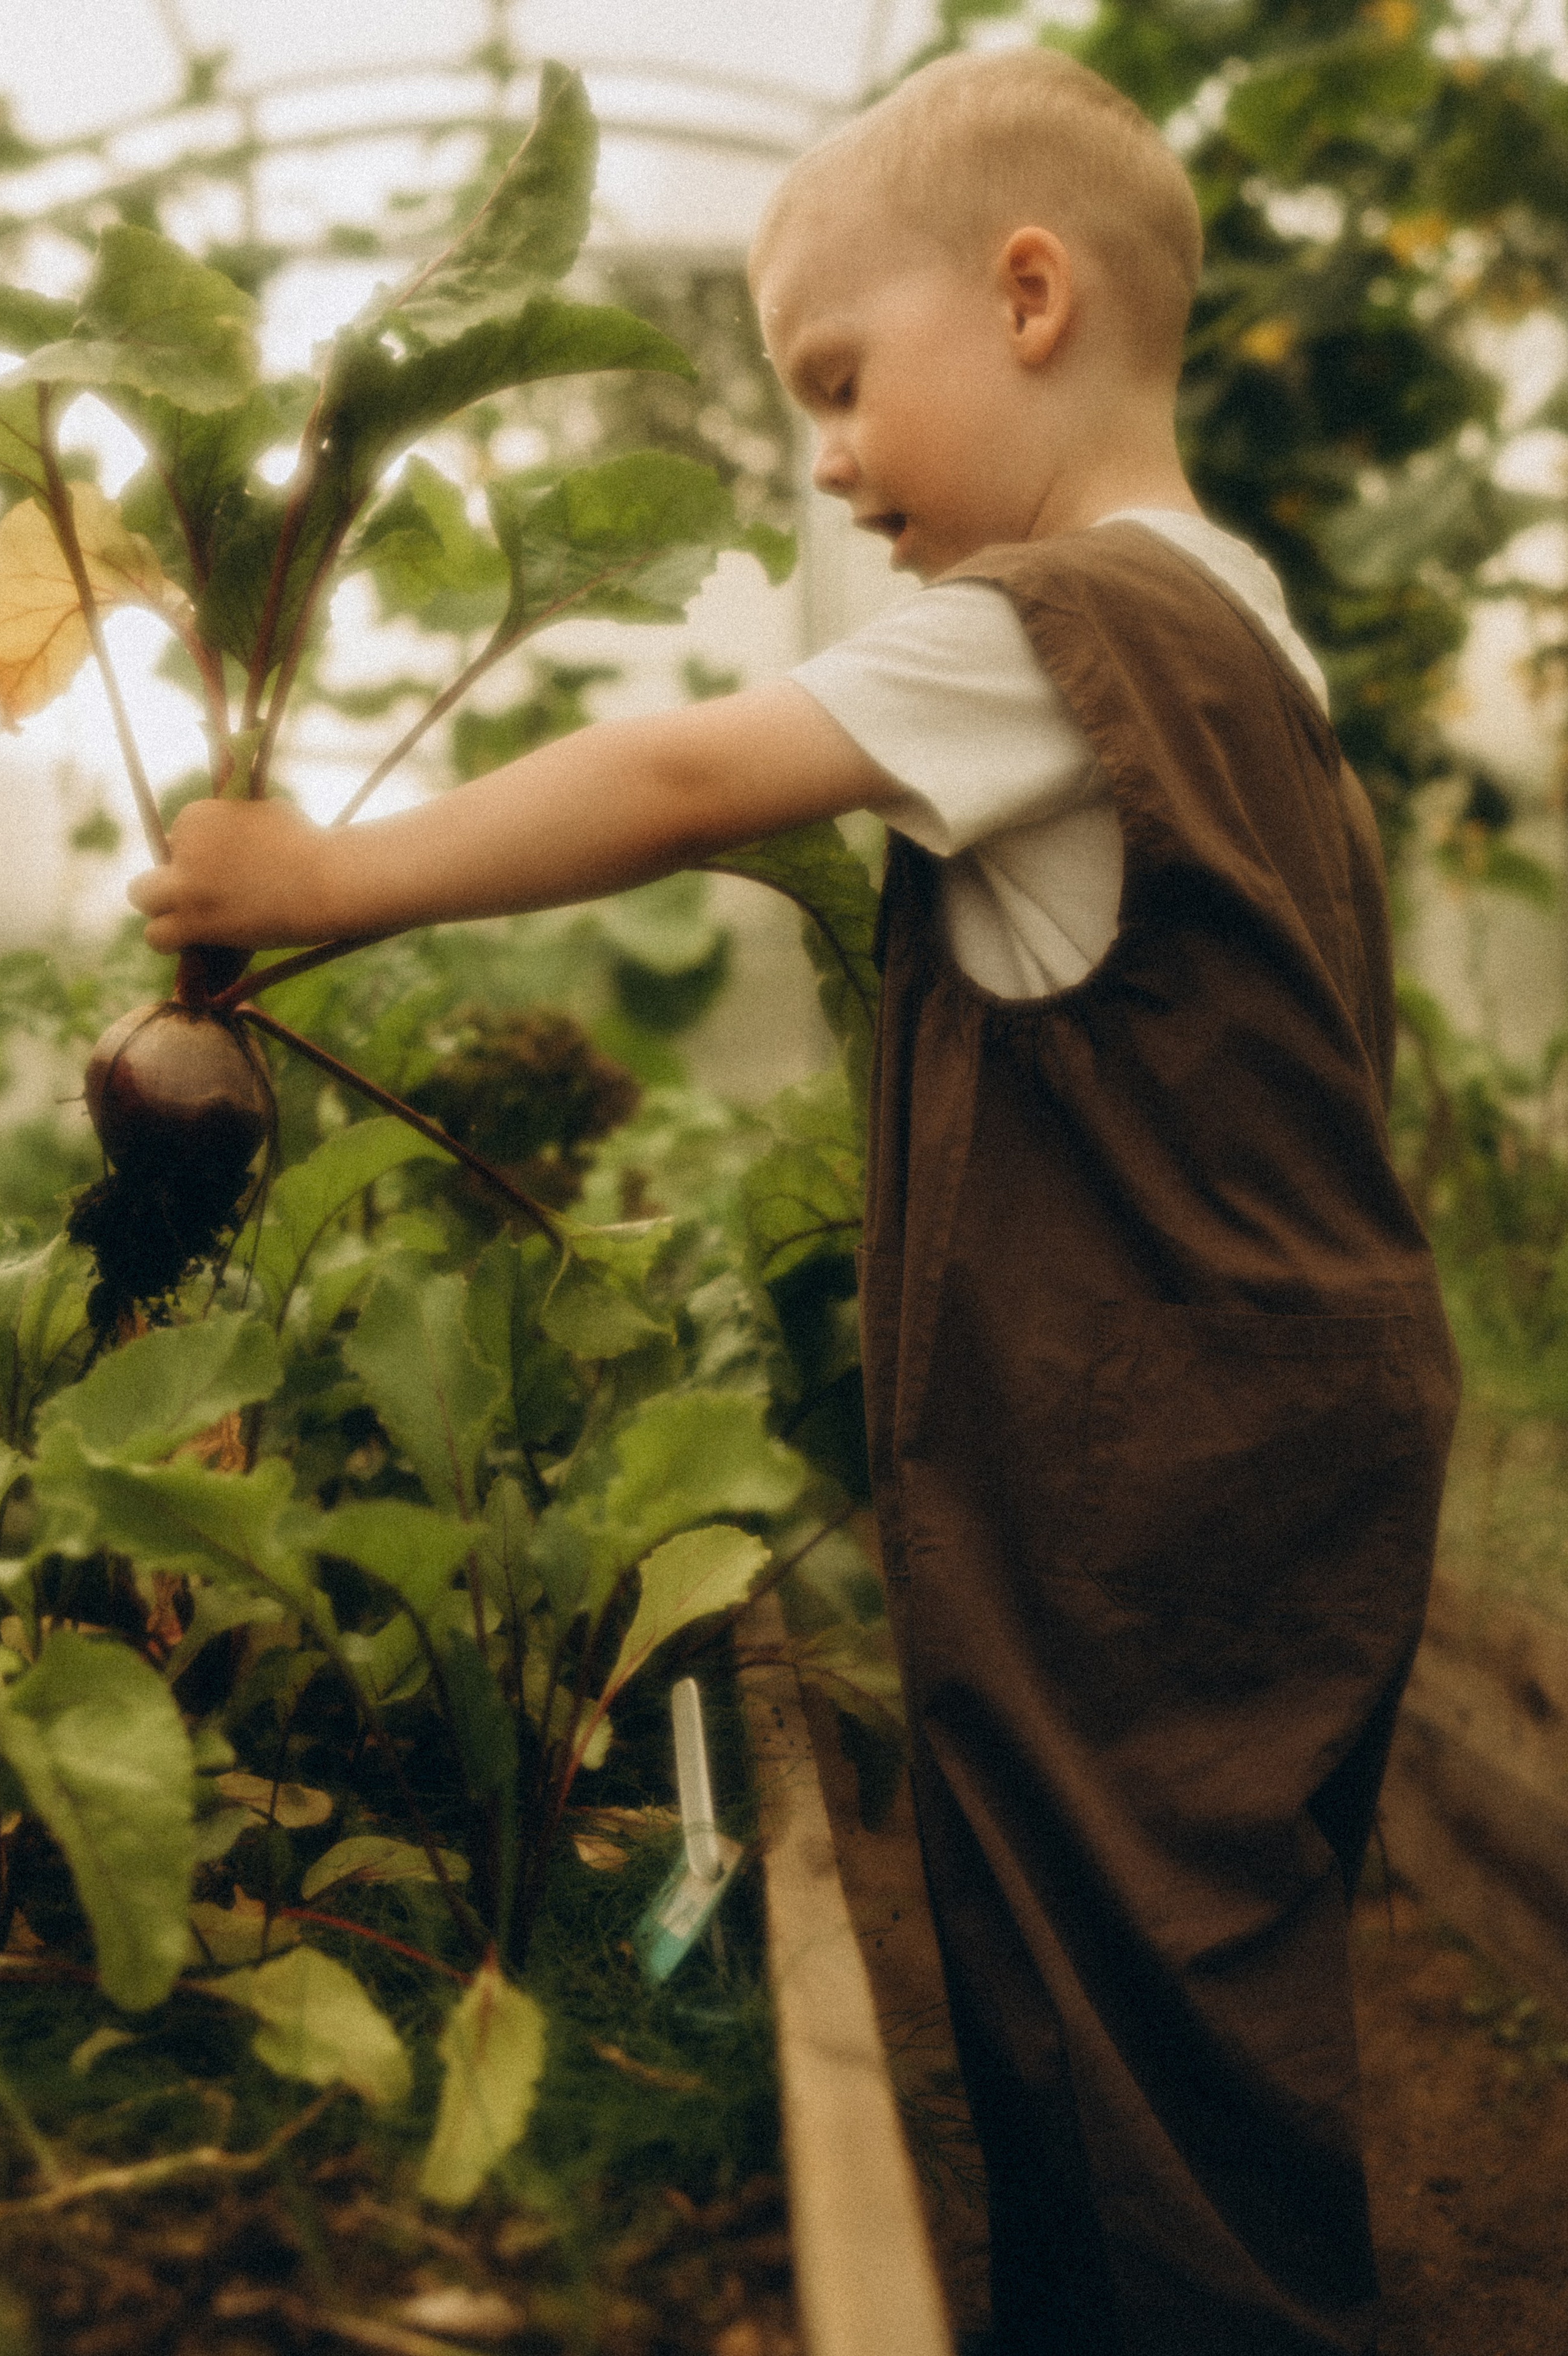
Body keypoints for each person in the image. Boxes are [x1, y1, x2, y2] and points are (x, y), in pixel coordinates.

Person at [132, 47, 1460, 2356]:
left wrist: (325, 871)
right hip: (1286, 1420)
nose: (829, 461)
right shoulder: (1242, 623)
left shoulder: (1056, 627)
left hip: (1147, 1453)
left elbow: (681, 768)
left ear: (1029, 295)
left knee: (1120, 1964)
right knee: (1199, 1948)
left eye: (842, 384)